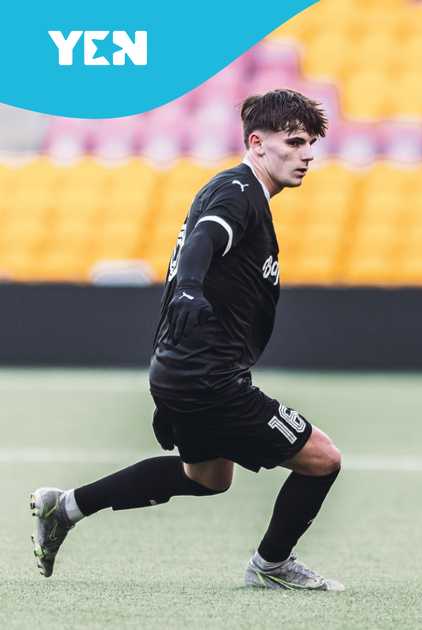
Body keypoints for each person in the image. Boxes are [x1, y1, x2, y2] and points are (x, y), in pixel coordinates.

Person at [31, 89, 345, 591]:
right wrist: (192, 292)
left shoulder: (240, 194)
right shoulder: (238, 193)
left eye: (311, 144)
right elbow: (203, 240)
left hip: (182, 370)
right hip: (209, 377)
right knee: (323, 460)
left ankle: (66, 506)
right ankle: (271, 566)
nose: (307, 154)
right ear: (257, 142)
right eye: (295, 142)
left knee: (208, 478)